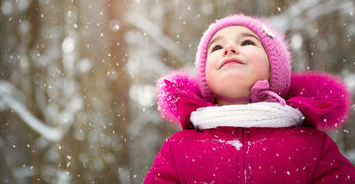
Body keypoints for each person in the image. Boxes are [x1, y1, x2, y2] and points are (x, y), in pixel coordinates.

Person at [144, 14, 355, 183]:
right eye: (216, 48)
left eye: (247, 42)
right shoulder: (178, 150)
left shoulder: (313, 147)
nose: (229, 48)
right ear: (204, 76)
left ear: (275, 69)